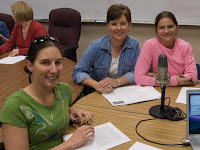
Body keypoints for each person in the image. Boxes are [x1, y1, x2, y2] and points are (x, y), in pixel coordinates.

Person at [0, 36, 94, 150]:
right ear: (30, 66)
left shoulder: (64, 90)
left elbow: (48, 111)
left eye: (58, 62)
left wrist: (67, 110)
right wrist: (71, 143)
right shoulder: (14, 107)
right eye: (45, 63)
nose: (54, 70)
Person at [73, 4, 140, 94]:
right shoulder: (96, 46)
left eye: (123, 23)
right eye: (114, 24)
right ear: (108, 26)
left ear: (130, 25)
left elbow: (137, 72)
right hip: (98, 94)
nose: (118, 28)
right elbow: (78, 71)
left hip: (124, 93)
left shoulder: (134, 45)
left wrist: (117, 81)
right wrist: (96, 85)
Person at [134, 11, 197, 86]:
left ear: (177, 28)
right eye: (161, 28)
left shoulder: (185, 46)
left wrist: (160, 79)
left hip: (179, 90)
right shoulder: (150, 45)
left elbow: (193, 77)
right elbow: (139, 78)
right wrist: (174, 80)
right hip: (158, 91)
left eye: (170, 26)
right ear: (156, 30)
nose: (166, 31)